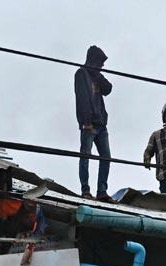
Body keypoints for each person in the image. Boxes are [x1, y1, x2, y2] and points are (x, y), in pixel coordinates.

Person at [74, 45, 113, 201]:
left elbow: (108, 89)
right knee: (85, 156)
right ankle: (85, 190)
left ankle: (101, 191)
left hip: (101, 124)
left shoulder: (96, 75)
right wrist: (86, 121)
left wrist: (97, 75)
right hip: (89, 124)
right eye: (101, 62)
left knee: (106, 157)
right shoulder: (81, 74)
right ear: (94, 60)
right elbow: (82, 98)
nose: (103, 65)